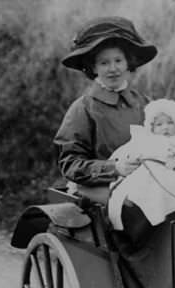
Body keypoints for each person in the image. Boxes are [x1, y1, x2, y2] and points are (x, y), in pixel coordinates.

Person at [54, 16, 157, 191]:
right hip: (101, 189)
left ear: (128, 63)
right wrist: (114, 168)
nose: (113, 69)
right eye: (104, 63)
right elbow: (70, 163)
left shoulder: (145, 104)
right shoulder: (83, 109)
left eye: (118, 60)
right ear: (93, 68)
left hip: (148, 184)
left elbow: (165, 142)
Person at [107, 98, 175, 235]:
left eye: (170, 123)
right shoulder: (149, 140)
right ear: (152, 128)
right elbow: (135, 152)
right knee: (141, 192)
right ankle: (156, 225)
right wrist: (134, 158)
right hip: (150, 175)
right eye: (159, 124)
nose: (165, 127)